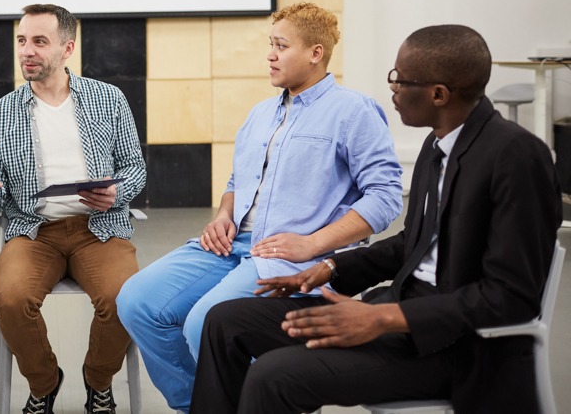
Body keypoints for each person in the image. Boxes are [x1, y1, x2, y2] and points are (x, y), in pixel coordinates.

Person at [191, 24, 562, 414]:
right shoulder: (437, 144)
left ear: (438, 94)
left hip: (457, 348)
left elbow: (513, 297)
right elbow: (414, 244)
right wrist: (329, 268)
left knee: (273, 375)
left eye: (400, 80)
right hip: (399, 318)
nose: (393, 89)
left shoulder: (517, 156)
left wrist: (385, 318)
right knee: (225, 322)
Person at [116, 1, 403, 412]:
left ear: (315, 53)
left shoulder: (353, 111)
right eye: (270, 44)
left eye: (281, 45)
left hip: (286, 256)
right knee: (137, 301)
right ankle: (197, 405)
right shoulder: (260, 113)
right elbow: (238, 182)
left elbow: (386, 196)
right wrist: (222, 216)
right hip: (233, 246)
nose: (270, 54)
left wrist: (312, 244)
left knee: (203, 324)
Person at [0, 3, 147, 414]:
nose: (26, 51)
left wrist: (117, 193)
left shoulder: (108, 99)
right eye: (21, 41)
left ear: (67, 48)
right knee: (12, 299)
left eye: (39, 41)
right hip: (34, 231)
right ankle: (45, 383)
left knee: (126, 297)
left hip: (99, 227)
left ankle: (98, 381)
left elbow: (135, 169)